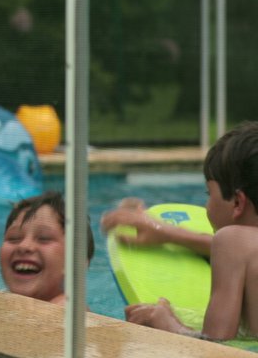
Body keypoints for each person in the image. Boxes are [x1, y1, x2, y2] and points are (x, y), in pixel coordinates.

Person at [103, 121, 258, 341]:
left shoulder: (231, 241)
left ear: (237, 203)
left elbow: (215, 345)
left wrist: (166, 322)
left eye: (208, 194)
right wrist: (166, 233)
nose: (207, 206)